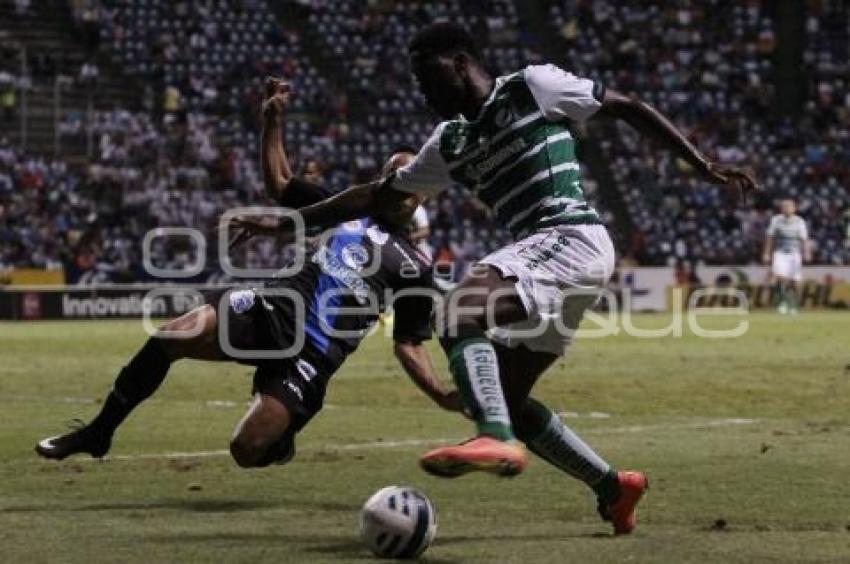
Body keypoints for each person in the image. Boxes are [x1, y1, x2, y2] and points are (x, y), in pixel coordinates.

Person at [230, 24, 757, 534]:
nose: (423, 88)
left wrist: (701, 163)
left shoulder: (533, 86)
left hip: (569, 235)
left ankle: (493, 436)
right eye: (415, 80)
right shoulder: (450, 142)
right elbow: (375, 194)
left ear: (460, 63)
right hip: (557, 260)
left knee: (457, 313)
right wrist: (286, 222)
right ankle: (613, 488)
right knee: (507, 394)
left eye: (427, 74)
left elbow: (626, 107)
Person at [35, 79, 461, 468]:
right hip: (270, 309)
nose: (397, 182)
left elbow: (408, 343)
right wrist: (272, 122)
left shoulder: (415, 267)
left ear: (423, 191)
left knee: (247, 451)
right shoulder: (343, 206)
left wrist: (439, 392)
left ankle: (283, 433)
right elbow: (280, 183)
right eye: (391, 174)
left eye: (407, 177)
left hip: (312, 354)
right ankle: (99, 431)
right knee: (172, 334)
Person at [762, 199, 810, 315]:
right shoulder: (776, 220)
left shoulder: (799, 221)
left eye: (789, 207)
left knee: (794, 282)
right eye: (784, 207)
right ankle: (782, 303)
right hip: (780, 253)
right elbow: (770, 237)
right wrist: (766, 253)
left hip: (794, 254)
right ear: (781, 209)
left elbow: (804, 239)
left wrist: (807, 252)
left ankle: (793, 305)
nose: (787, 209)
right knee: (779, 278)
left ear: (794, 209)